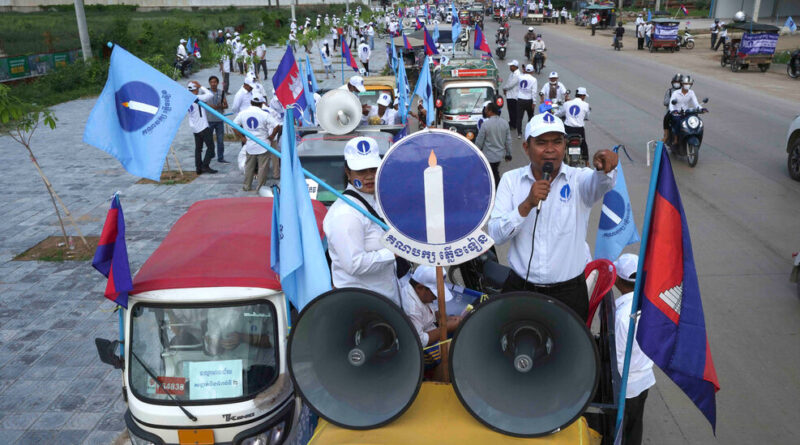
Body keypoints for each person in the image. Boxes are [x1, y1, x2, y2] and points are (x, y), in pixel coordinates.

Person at [487, 113, 618, 321]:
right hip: (521, 288)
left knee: (568, 351)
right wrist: (526, 205)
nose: (550, 149)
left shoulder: (579, 180)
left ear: (565, 146)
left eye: (557, 142)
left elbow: (601, 183)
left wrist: (606, 169)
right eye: (541, 143)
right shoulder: (511, 181)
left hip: (568, 294)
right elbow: (496, 234)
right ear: (526, 148)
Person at [322, 137, 401, 305]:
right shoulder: (345, 213)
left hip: (386, 298)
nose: (369, 176)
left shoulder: (378, 199)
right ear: (348, 173)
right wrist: (394, 252)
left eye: (374, 169)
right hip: (363, 305)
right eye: (361, 171)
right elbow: (355, 264)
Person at [612, 253, 656, 445]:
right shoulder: (652, 305)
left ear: (618, 281)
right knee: (634, 428)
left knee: (619, 433)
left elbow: (618, 356)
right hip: (644, 378)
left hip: (625, 386)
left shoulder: (623, 315)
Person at [401, 266, 462, 371]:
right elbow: (420, 341)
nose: (436, 297)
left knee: (462, 325)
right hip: (419, 352)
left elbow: (435, 309)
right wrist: (445, 328)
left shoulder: (422, 294)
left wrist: (447, 320)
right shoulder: (411, 308)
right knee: (455, 349)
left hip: (431, 328)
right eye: (434, 293)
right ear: (420, 288)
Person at [233, 94, 281, 192]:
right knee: (262, 168)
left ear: (251, 102)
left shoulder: (243, 113)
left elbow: (234, 125)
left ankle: (246, 186)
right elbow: (277, 125)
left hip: (250, 145)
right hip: (263, 144)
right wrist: (272, 136)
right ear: (261, 103)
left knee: (249, 167)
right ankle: (260, 188)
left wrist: (242, 137)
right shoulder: (264, 114)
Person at [475, 101, 512, 186]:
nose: (485, 111)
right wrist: (508, 154)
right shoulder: (505, 123)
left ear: (490, 111)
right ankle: (497, 189)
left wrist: (476, 152)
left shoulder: (485, 125)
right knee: (494, 172)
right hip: (499, 156)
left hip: (488, 156)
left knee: (490, 174)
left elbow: (479, 142)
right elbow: (508, 141)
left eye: (486, 110)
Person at [186, 81, 218, 175]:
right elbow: (210, 95)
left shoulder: (186, 98)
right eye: (197, 89)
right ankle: (205, 165)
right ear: (195, 90)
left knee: (198, 149)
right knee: (211, 148)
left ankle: (198, 168)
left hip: (194, 127)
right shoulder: (197, 98)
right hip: (203, 127)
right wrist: (201, 86)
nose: (198, 90)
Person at [667, 75, 703, 147]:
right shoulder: (676, 93)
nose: (687, 86)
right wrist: (673, 111)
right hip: (676, 113)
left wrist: (701, 109)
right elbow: (671, 105)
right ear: (682, 84)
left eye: (689, 84)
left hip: (686, 113)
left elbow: (696, 104)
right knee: (677, 122)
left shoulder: (691, 93)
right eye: (686, 84)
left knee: (696, 120)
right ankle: (676, 139)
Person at [562, 87, 591, 164]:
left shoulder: (567, 103)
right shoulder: (586, 105)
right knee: (583, 143)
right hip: (579, 129)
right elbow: (587, 116)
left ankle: (560, 158)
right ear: (583, 96)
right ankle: (587, 161)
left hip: (568, 128)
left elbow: (560, 112)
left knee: (562, 142)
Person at [206, 76, 228, 164]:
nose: (213, 84)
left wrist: (220, 106)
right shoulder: (206, 93)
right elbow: (204, 104)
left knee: (220, 140)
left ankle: (220, 157)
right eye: (211, 82)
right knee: (209, 140)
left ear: (217, 83)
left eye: (215, 82)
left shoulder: (221, 92)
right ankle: (210, 155)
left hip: (219, 120)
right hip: (209, 120)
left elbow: (226, 105)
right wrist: (212, 107)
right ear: (209, 83)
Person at [516, 64, 537, 138]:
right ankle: (529, 132)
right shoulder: (533, 79)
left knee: (519, 117)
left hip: (520, 99)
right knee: (530, 116)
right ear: (532, 71)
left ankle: (519, 133)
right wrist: (534, 102)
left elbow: (518, 88)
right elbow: (534, 92)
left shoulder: (520, 77)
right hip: (529, 100)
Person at [662, 73, 682, 144]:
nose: (676, 84)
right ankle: (666, 136)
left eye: (678, 82)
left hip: (681, 112)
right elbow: (665, 102)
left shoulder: (684, 92)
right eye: (675, 82)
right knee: (666, 118)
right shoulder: (669, 91)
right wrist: (672, 101)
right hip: (671, 111)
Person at [502, 60, 521, 135]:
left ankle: (514, 124)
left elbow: (511, 84)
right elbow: (508, 82)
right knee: (510, 110)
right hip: (510, 95)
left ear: (515, 67)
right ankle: (512, 122)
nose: (510, 67)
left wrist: (504, 88)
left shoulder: (517, 75)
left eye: (511, 66)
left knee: (513, 111)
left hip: (514, 96)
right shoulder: (512, 74)